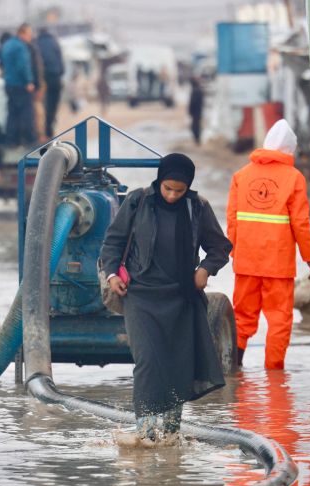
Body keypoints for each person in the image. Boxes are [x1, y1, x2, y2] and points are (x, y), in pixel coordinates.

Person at [99, 153, 231, 442]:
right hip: (141, 295)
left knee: (178, 362)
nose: (172, 196)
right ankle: (145, 434)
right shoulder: (137, 202)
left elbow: (219, 248)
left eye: (179, 191)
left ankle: (171, 435)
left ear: (188, 188)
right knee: (147, 361)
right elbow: (113, 242)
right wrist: (112, 276)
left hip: (182, 296)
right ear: (159, 181)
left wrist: (205, 270)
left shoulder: (198, 207)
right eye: (167, 188)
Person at [226, 119, 310, 370]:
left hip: (246, 261)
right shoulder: (294, 178)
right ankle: (275, 377)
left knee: (242, 318)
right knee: (279, 320)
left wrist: (233, 252)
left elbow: (232, 219)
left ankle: (234, 371)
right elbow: (301, 223)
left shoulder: (240, 176)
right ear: (290, 149)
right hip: (278, 264)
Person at [1, 24, 35, 147]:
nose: (30, 37)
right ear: (22, 33)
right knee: (26, 113)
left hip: (9, 83)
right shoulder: (21, 47)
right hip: (20, 85)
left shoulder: (7, 45)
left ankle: (11, 140)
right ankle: (29, 140)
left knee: (12, 113)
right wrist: (28, 82)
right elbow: (23, 66)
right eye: (29, 34)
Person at [36, 28, 64, 138]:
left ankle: (43, 131)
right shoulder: (54, 42)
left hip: (43, 79)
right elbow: (61, 63)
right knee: (53, 105)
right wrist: (59, 73)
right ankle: (50, 128)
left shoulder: (36, 43)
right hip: (56, 78)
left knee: (43, 106)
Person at [26, 36, 47, 143]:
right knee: (38, 112)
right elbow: (38, 70)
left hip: (31, 86)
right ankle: (39, 135)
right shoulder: (35, 51)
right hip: (36, 86)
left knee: (34, 112)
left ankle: (37, 135)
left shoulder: (29, 50)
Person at [188, 76, 204, 145]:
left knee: (195, 127)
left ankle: (197, 140)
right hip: (198, 112)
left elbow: (193, 102)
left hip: (196, 112)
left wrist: (190, 110)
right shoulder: (198, 90)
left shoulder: (196, 91)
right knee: (196, 126)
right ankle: (197, 140)